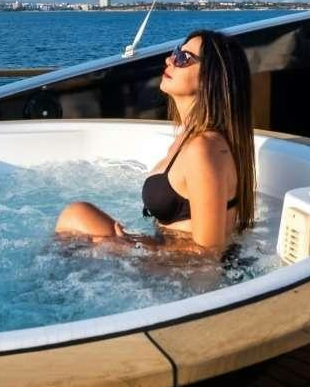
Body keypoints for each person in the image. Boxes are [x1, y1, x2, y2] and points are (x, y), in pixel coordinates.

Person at [55, 30, 256, 254]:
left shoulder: (204, 148)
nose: (169, 59)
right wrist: (134, 244)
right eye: (176, 52)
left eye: (184, 58)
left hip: (176, 269)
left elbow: (207, 256)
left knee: (75, 221)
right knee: (76, 215)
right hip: (166, 254)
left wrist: (131, 247)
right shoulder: (187, 140)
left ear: (211, 78)